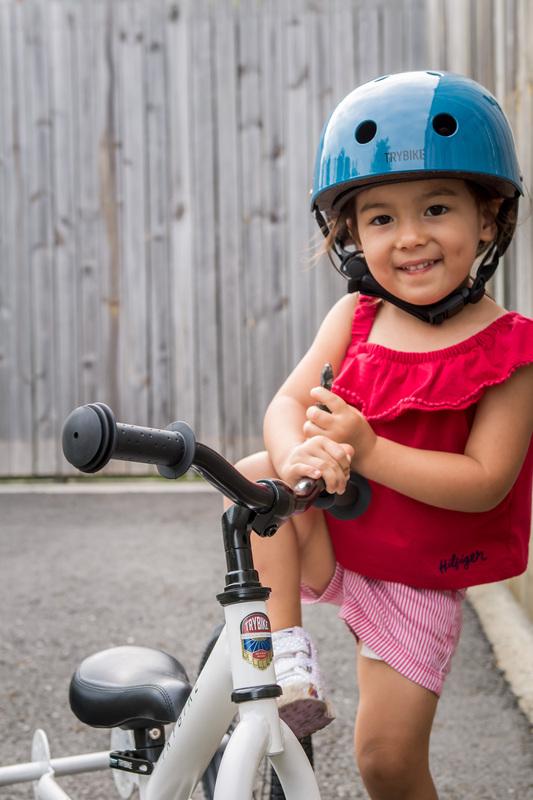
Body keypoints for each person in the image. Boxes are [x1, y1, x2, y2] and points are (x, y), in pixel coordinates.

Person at [234, 71, 533, 799]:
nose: (410, 237)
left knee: (386, 764)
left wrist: (366, 449)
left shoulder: (510, 347)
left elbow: (483, 480)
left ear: (487, 220)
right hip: (337, 539)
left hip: (417, 575)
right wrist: (294, 451)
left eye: (435, 208)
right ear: (349, 235)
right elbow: (286, 400)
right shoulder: (355, 320)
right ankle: (283, 661)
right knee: (249, 478)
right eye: (380, 219)